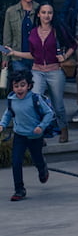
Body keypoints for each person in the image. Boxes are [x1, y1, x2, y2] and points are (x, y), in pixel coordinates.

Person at [6, 2, 75, 143]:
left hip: (54, 70)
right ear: (38, 14)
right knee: (35, 103)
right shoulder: (33, 32)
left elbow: (73, 44)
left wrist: (65, 56)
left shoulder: (58, 30)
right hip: (37, 71)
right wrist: (14, 53)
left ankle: (63, 129)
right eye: (43, 12)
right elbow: (33, 54)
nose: (46, 15)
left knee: (58, 104)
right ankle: (39, 133)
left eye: (49, 12)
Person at [0, 69, 52, 201]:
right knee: (16, 162)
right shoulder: (12, 100)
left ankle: (42, 169)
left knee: (37, 158)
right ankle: (19, 189)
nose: (19, 89)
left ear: (29, 85)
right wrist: (2, 124)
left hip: (35, 136)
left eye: (22, 85)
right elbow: (8, 114)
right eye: (16, 86)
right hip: (19, 136)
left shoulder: (35, 99)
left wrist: (41, 126)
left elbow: (49, 113)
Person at [2, 0, 39, 79]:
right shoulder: (11, 11)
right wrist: (5, 58)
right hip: (18, 57)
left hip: (36, 57)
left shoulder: (39, 9)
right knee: (21, 84)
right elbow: (7, 37)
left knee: (36, 87)